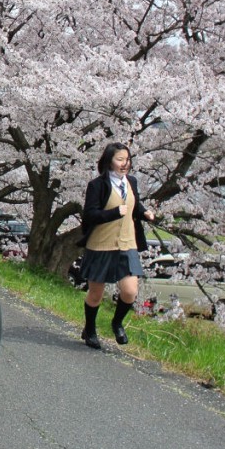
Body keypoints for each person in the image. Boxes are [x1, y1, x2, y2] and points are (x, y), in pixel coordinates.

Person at [77, 142, 155, 349]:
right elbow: (90, 214)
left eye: (127, 160)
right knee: (96, 294)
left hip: (127, 243)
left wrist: (144, 212)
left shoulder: (131, 182)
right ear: (109, 161)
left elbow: (134, 205)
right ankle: (90, 329)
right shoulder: (97, 185)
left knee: (130, 291)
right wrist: (113, 213)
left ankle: (117, 322)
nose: (125, 164)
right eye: (120, 160)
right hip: (101, 244)